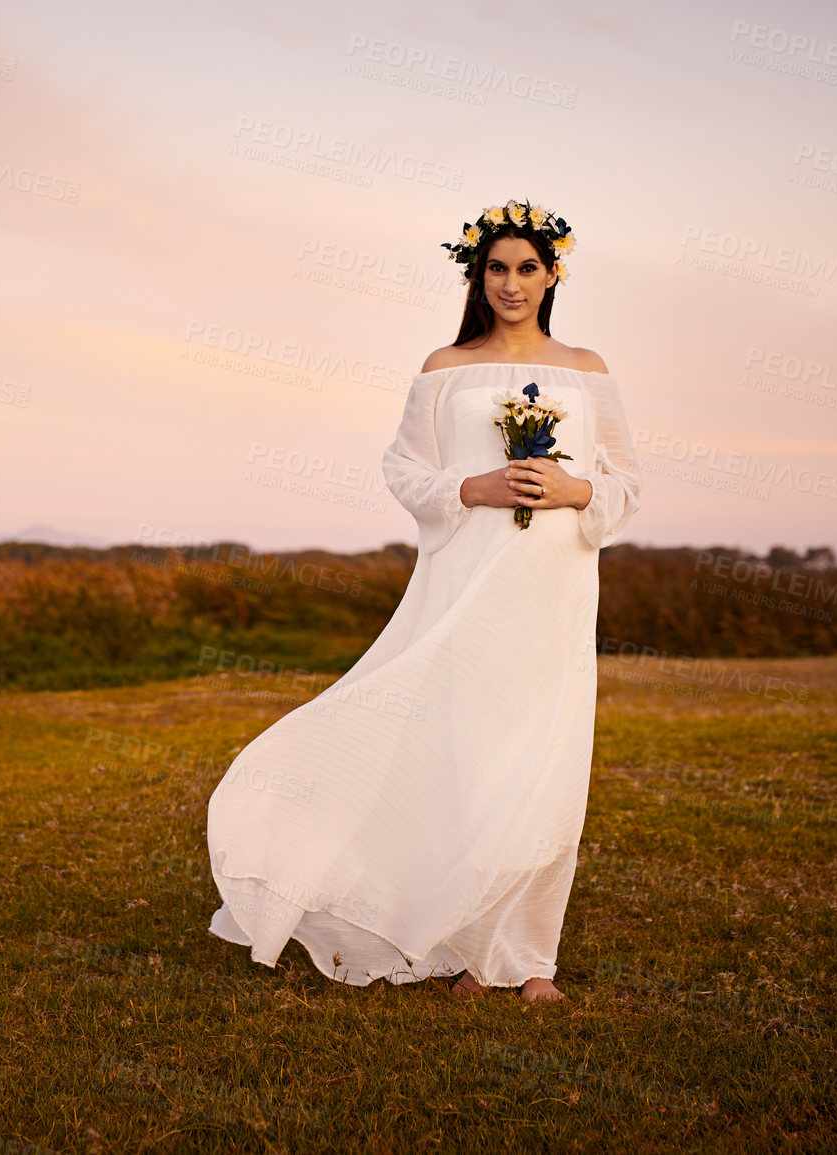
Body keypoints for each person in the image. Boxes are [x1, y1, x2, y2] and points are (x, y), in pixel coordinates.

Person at [205, 198, 642, 1004]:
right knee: (467, 752)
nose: (511, 283)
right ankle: (465, 942)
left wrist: (575, 487)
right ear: (478, 275)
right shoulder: (444, 366)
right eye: (496, 268)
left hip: (551, 582)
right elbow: (405, 469)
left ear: (553, 276)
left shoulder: (587, 367)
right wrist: (470, 486)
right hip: (466, 577)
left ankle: (527, 959)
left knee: (541, 757)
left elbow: (626, 480)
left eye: (527, 268)